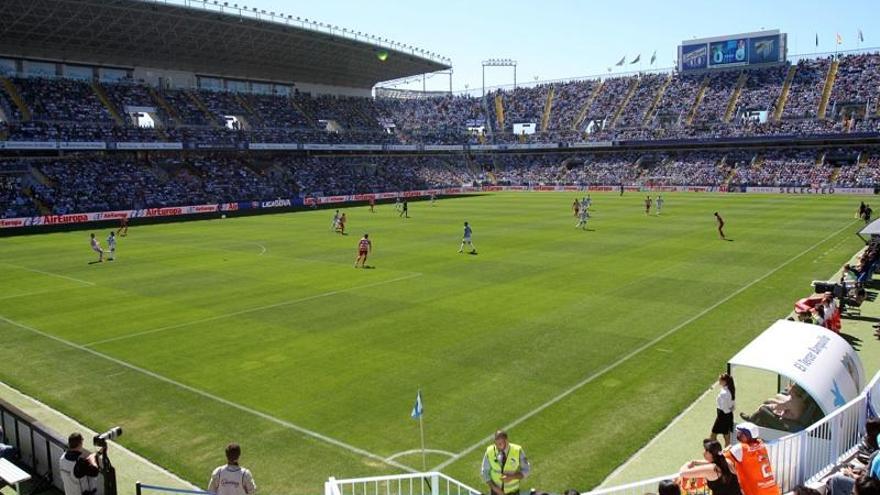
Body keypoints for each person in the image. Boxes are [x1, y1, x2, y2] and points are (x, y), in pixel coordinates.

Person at [724, 423, 778, 495]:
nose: (738, 435)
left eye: (740, 433)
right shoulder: (762, 444)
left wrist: (724, 451)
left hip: (756, 492)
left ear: (746, 435)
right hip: (773, 490)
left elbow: (721, 459)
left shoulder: (740, 448)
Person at [480, 430, 530, 495]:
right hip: (495, 492)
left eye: (500, 444)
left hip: (513, 492)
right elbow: (485, 472)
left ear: (506, 441)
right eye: (496, 443)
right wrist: (494, 488)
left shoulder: (517, 450)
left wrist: (512, 477)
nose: (497, 447)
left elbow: (526, 470)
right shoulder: (490, 451)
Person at [712, 373, 736, 446]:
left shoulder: (724, 393)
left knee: (713, 435)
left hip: (722, 415)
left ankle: (717, 451)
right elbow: (732, 405)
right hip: (727, 415)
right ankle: (725, 453)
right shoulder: (730, 389)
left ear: (725, 382)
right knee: (726, 435)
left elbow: (724, 408)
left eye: (720, 380)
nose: (719, 381)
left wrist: (721, 416)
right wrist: (730, 410)